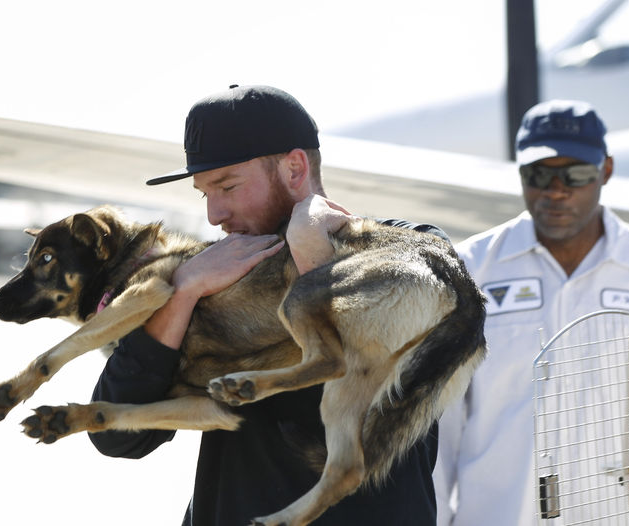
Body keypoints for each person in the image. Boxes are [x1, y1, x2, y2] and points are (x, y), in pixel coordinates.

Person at [89, 84, 447, 525]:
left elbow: (372, 354)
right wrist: (182, 291)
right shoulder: (211, 276)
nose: (213, 215)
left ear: (295, 168)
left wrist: (310, 247)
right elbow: (119, 437)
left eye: (228, 186)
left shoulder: (414, 250)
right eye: (205, 193)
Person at [432, 99, 629, 525]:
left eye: (576, 174)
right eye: (539, 174)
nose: (556, 189)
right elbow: (438, 423)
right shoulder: (467, 269)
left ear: (606, 171)